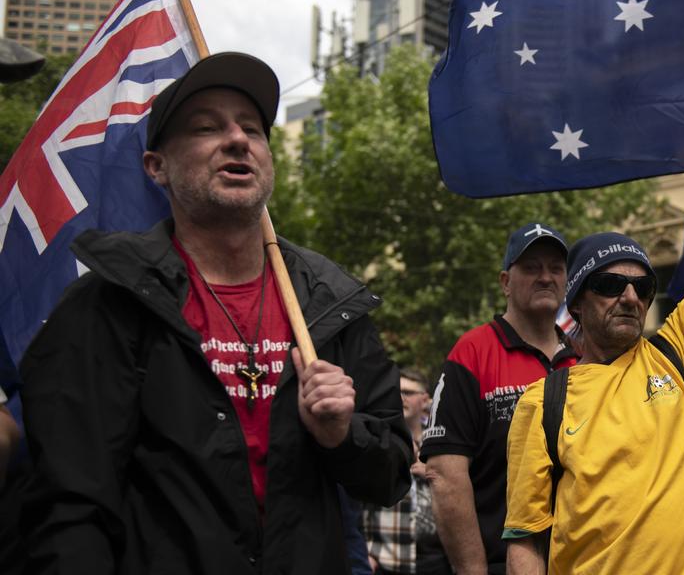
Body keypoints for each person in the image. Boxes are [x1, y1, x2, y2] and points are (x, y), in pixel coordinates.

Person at [19, 52, 412, 574]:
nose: (237, 139)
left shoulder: (330, 302)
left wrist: (342, 435)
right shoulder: (107, 303)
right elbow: (69, 505)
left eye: (252, 128)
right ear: (156, 166)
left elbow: (391, 476)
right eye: (206, 128)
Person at [502, 67, 684, 574]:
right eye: (609, 285)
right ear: (575, 304)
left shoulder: (680, 352)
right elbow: (525, 541)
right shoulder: (543, 402)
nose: (630, 297)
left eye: (642, 287)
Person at [421, 223, 576, 574]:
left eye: (555, 269)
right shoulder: (471, 352)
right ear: (505, 282)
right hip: (499, 563)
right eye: (532, 268)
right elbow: (446, 476)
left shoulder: (584, 355)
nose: (545, 277)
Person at [366, 368, 448, 574]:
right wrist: (363, 550)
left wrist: (433, 472)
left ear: (425, 400)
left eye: (408, 393)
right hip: (387, 558)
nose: (401, 398)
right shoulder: (375, 440)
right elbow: (359, 496)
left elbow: (465, 490)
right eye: (397, 392)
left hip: (437, 559)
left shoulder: (443, 443)